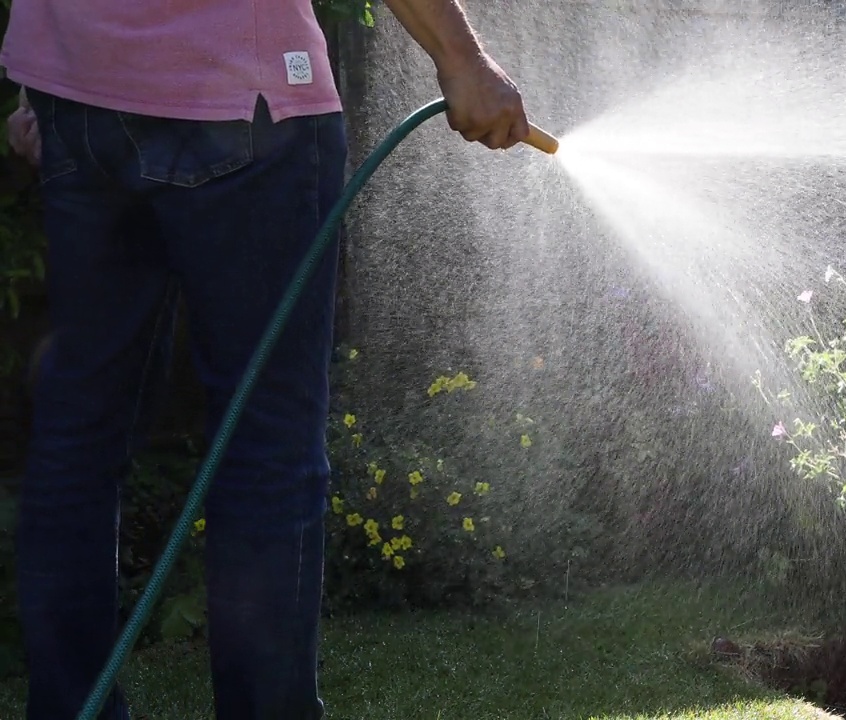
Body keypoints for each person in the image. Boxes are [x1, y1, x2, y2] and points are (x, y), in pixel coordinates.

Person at [1, 1, 529, 718]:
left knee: (78, 438)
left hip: (78, 97)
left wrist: (41, 84)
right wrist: (465, 62)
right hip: (243, 96)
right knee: (266, 448)